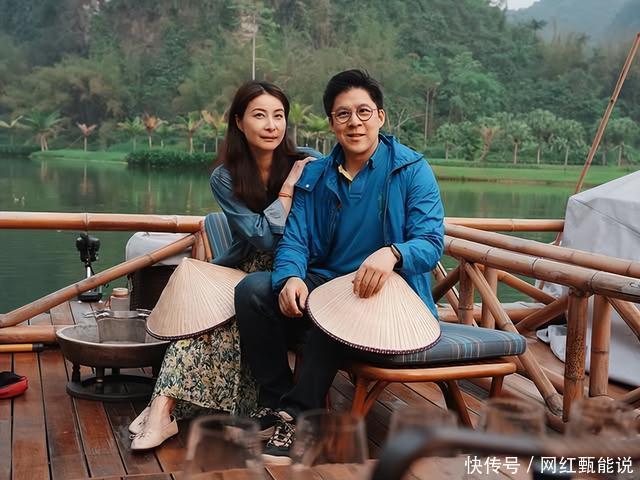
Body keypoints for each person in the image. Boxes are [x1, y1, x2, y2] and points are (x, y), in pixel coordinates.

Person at [235, 69, 445, 463]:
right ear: (332, 123)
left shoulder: (411, 169)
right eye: (343, 114)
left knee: (335, 310)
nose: (355, 122)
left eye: (364, 112)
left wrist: (393, 253)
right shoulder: (315, 175)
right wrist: (291, 277)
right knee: (252, 291)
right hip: (328, 283)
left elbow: (431, 242)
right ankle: (275, 402)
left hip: (390, 295)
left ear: (380, 117)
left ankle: (299, 417)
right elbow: (295, 238)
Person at [129, 80, 316, 450]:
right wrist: (287, 192)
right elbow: (260, 239)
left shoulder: (308, 161)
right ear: (239, 122)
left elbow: (296, 232)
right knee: (203, 323)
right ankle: (162, 410)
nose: (271, 125)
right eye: (259, 115)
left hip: (296, 268)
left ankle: (161, 407)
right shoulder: (226, 176)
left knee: (223, 320)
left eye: (278, 116)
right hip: (244, 269)